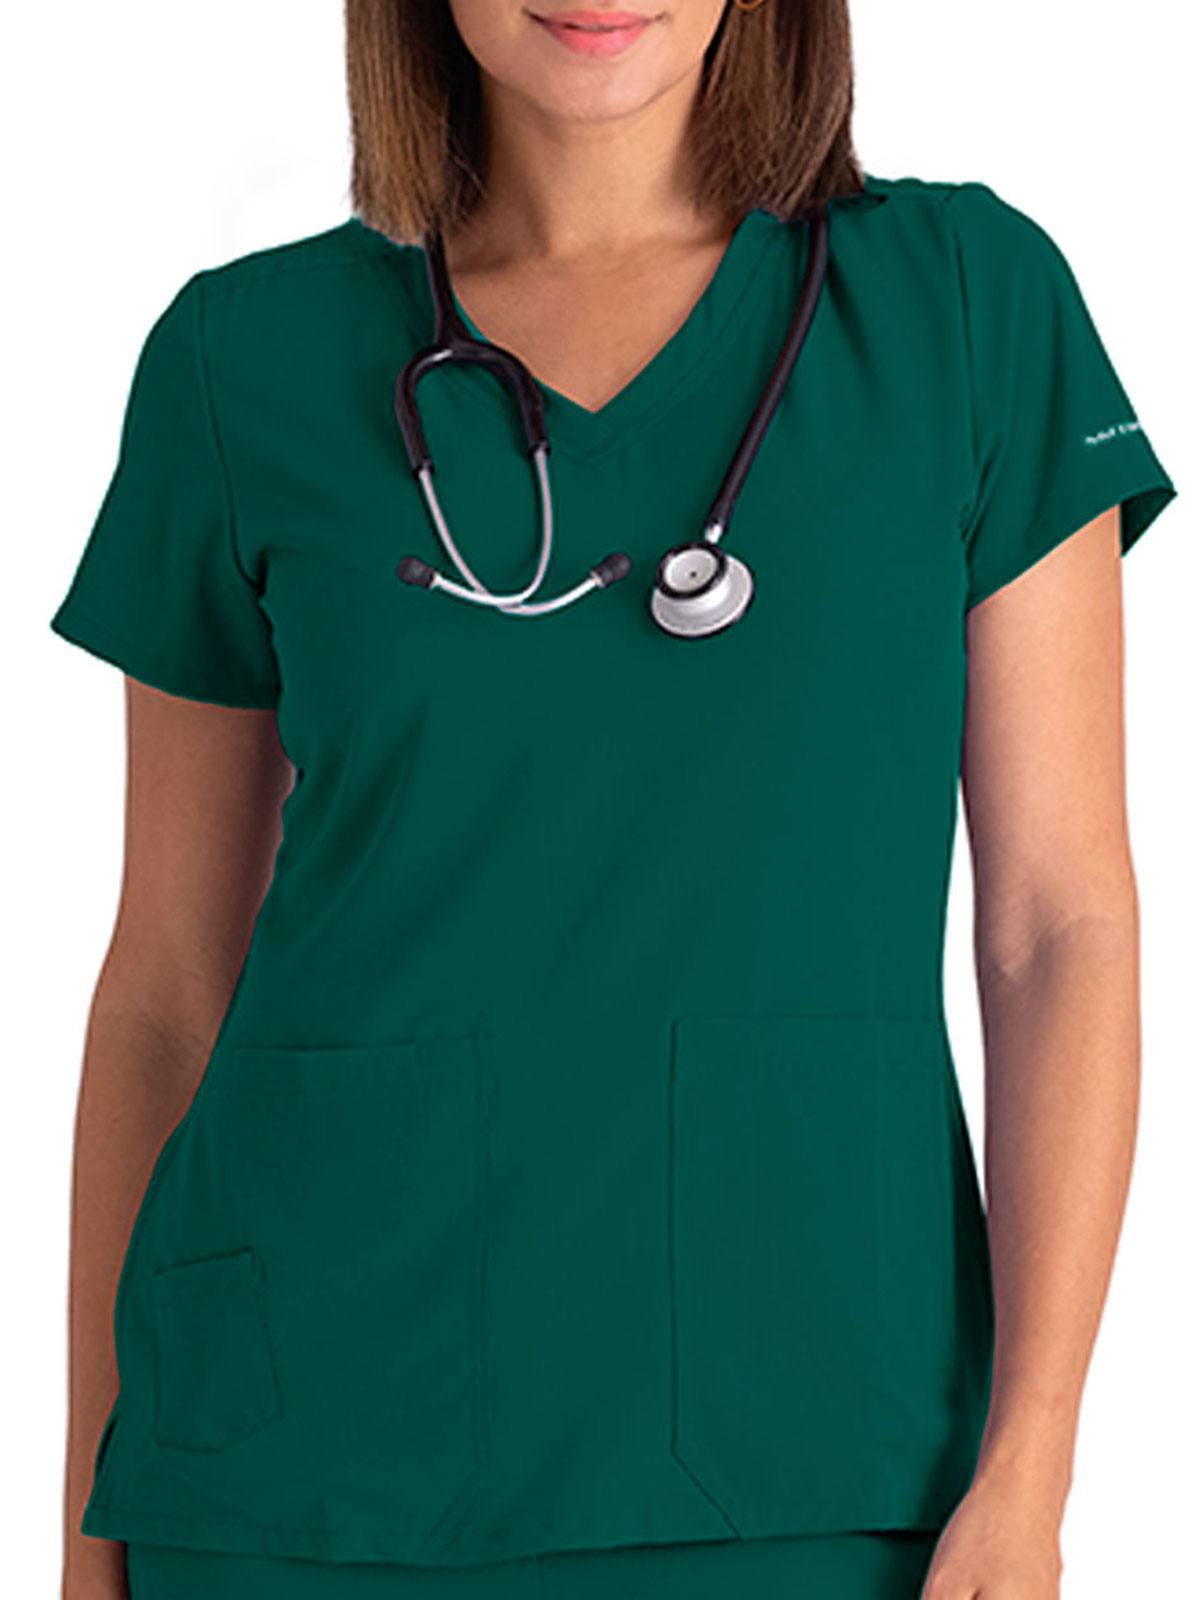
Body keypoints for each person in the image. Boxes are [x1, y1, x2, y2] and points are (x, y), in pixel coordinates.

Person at [51, 2, 1179, 1598]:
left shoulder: (966, 310)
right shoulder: (243, 361)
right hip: (300, 1484)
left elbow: (1057, 931)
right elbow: (167, 989)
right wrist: (87, 1513)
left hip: (819, 1467)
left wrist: (1035, 1458)